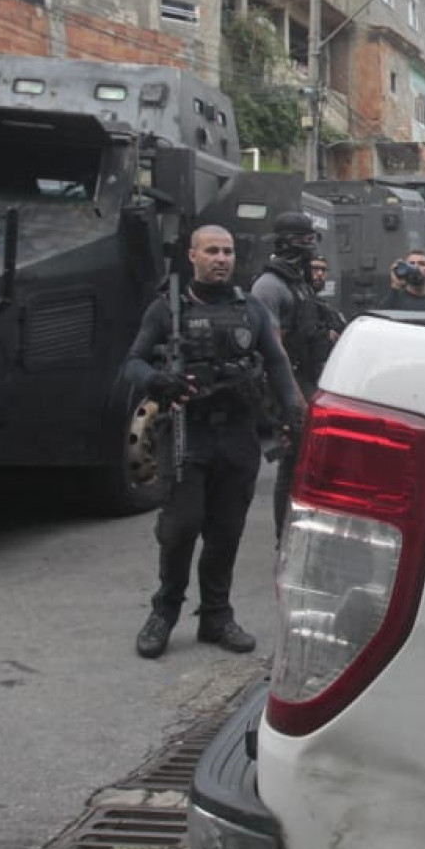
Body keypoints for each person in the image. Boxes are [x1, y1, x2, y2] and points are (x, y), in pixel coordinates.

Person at [128, 225, 302, 659]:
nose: (221, 259)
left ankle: (216, 616)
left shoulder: (251, 309)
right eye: (211, 251)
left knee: (226, 531)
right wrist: (158, 381)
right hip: (189, 432)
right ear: (193, 256)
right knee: (181, 527)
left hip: (238, 436)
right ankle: (165, 611)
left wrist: (294, 415)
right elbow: (132, 363)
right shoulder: (166, 310)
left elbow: (277, 364)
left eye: (227, 251)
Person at [251, 212, 337, 544]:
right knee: (292, 467)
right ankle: (284, 539)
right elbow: (272, 349)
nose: (309, 246)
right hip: (290, 385)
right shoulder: (269, 286)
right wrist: (293, 401)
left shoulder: (298, 283)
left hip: (310, 379)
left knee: (313, 464)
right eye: (303, 239)